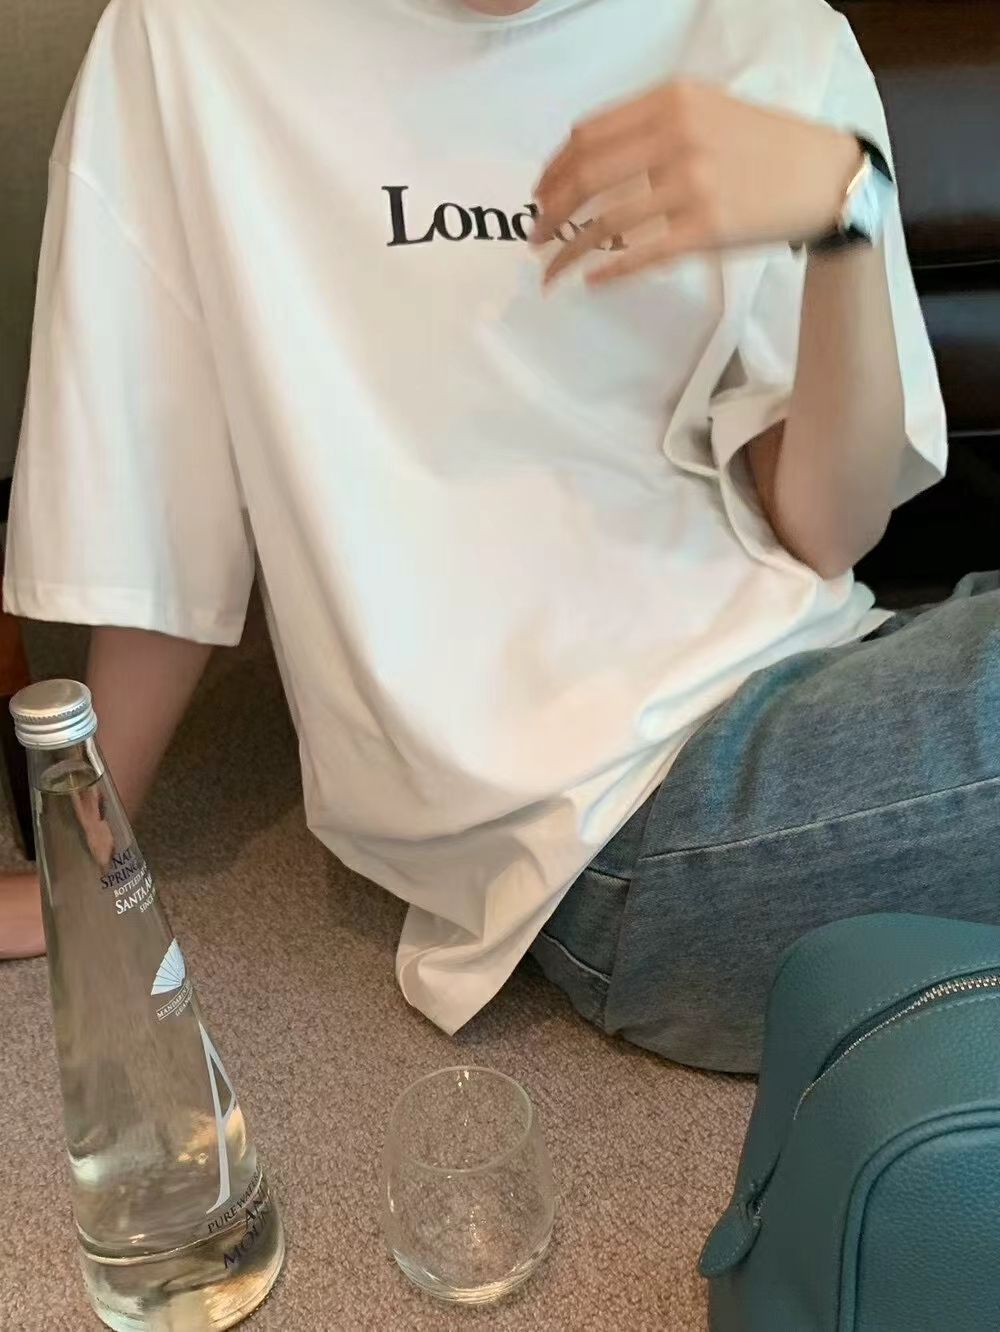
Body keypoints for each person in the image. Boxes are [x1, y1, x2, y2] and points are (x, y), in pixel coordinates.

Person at [3, 0, 993, 1073]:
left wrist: (845, 212)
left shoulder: (767, 32)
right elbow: (156, 500)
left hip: (828, 680)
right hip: (614, 811)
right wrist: (85, 854)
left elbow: (826, 532)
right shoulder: (194, 38)